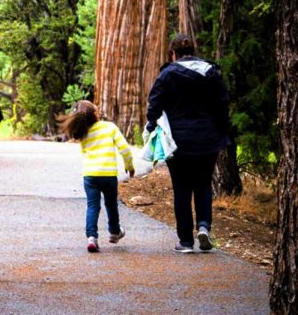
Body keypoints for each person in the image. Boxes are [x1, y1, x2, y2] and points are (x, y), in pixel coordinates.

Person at [145, 34, 229, 253]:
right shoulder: (211, 72)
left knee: (181, 189)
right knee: (203, 185)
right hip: (208, 139)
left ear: (173, 54)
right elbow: (223, 104)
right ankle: (203, 226)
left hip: (178, 140)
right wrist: (221, 132)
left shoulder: (168, 74)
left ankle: (185, 241)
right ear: (193, 50)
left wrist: (151, 124)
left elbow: (154, 103)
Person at [59, 100, 135, 253]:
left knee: (93, 206)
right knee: (111, 204)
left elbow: (84, 153)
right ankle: (114, 232)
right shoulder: (109, 127)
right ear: (95, 113)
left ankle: (92, 238)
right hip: (108, 175)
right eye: (96, 108)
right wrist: (129, 166)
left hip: (90, 176)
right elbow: (125, 149)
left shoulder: (83, 132)